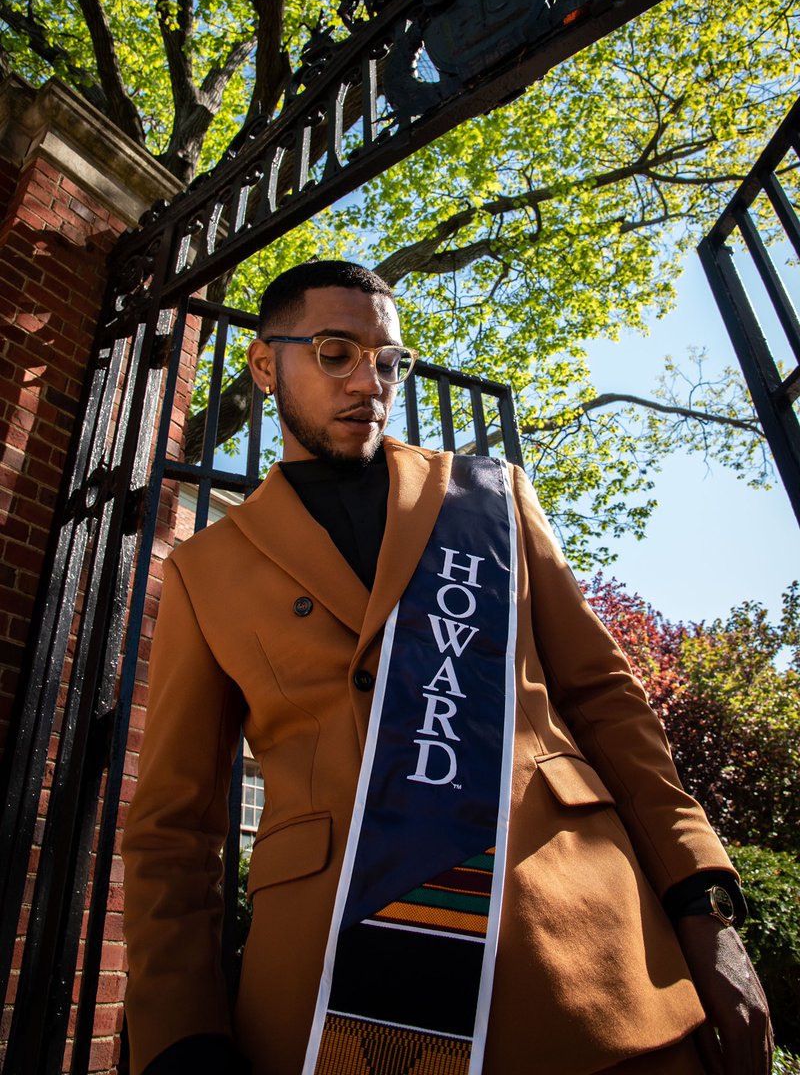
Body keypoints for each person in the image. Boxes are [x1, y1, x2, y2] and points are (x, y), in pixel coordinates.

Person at [122, 260, 772, 1075]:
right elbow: (174, 826)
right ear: (264, 364)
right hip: (343, 999)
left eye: (388, 361)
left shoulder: (489, 498)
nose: (370, 381)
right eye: (335, 352)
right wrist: (181, 1035)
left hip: (591, 955)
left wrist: (701, 901)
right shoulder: (204, 570)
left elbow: (607, 699)